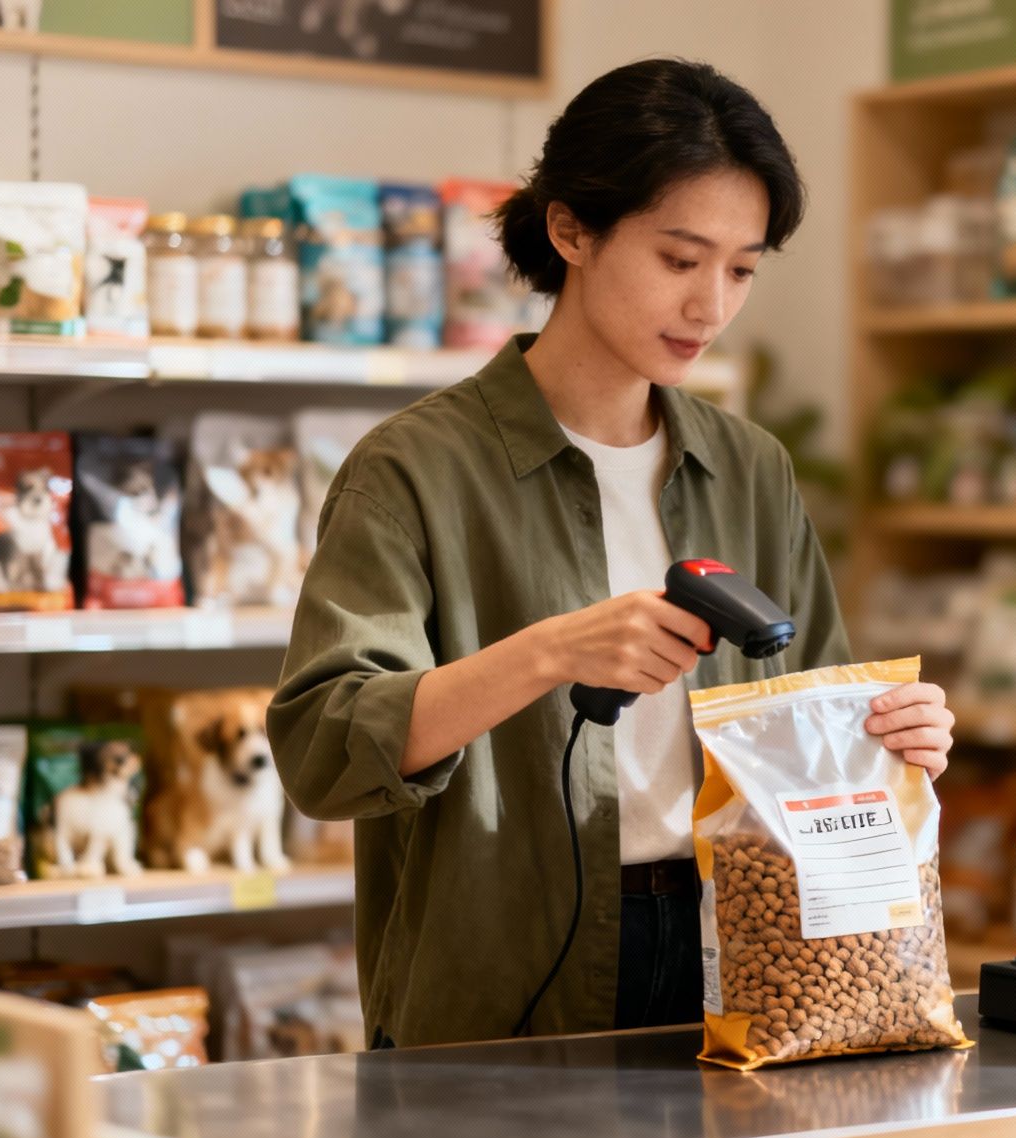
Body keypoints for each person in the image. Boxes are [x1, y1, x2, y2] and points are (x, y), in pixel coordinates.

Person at [268, 59, 956, 1049]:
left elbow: (814, 720)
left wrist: (893, 734)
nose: (711, 305)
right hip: (502, 958)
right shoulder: (412, 470)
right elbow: (322, 751)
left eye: (741, 269)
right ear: (571, 230)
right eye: (679, 259)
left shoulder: (749, 466)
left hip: (749, 942)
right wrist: (547, 655)